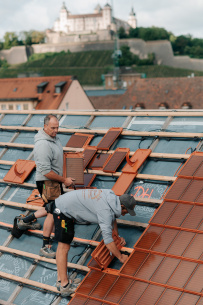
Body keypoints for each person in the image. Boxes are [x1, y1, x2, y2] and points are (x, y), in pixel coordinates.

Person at [32, 188, 137, 297]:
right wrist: (120, 257)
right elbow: (107, 239)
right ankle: (64, 286)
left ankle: (60, 280)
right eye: (126, 211)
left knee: (63, 247)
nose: (125, 214)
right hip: (63, 210)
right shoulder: (105, 210)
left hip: (64, 204)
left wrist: (117, 237)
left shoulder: (110, 197)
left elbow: (112, 218)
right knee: (64, 247)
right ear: (122, 206)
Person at [18, 114, 75, 258]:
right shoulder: (43, 144)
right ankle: (45, 247)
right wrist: (64, 180)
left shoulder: (54, 138)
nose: (56, 130)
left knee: (50, 207)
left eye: (57, 127)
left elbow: (56, 157)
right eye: (53, 128)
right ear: (45, 127)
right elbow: (45, 171)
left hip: (54, 182)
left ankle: (24, 221)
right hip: (48, 182)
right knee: (53, 211)